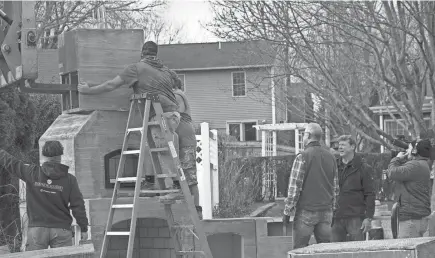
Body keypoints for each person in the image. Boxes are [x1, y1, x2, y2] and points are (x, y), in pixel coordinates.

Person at [78, 41, 180, 190]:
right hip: (173, 114)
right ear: (155, 54)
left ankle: (175, 187)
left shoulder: (135, 69)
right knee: (148, 147)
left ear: (142, 53)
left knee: (163, 149)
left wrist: (88, 90)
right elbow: (176, 82)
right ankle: (150, 180)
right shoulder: (165, 70)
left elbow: (110, 85)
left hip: (161, 116)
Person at [0, 141, 89, 251]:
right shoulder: (70, 179)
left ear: (44, 155)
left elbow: (12, 163)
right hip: (61, 229)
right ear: (60, 156)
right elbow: (78, 205)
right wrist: (84, 228)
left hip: (37, 230)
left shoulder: (32, 173)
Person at [282, 123, 339, 249]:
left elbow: (294, 187)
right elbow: (335, 188)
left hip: (306, 211)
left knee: (300, 250)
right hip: (326, 212)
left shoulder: (302, 157)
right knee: (325, 251)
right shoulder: (331, 157)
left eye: (304, 135)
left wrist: (287, 211)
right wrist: (333, 210)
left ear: (308, 135)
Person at [167, 76, 202, 218]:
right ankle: (191, 205)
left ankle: (197, 210)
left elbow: (177, 112)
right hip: (181, 140)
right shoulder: (177, 95)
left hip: (186, 141)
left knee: (190, 176)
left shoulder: (177, 95)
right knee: (184, 173)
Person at [331, 135, 375, 242]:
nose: (340, 148)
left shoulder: (364, 168)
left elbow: (370, 194)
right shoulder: (333, 166)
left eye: (343, 145)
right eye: (339, 145)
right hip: (335, 217)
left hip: (356, 217)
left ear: (352, 147)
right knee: (334, 252)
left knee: (357, 251)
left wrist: (368, 218)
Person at [387, 139, 432, 238]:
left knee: (406, 252)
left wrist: (397, 159)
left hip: (411, 219)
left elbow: (392, 173)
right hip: (417, 217)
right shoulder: (423, 164)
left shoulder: (415, 165)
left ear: (415, 151)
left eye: (409, 149)